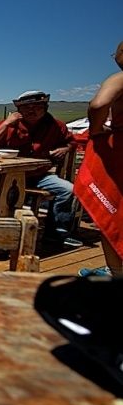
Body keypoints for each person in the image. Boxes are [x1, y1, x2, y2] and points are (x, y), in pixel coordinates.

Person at [0, 90, 80, 246]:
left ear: (45, 108)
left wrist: (65, 148)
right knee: (7, 197)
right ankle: (2, 236)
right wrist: (6, 123)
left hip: (39, 175)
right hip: (7, 176)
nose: (31, 111)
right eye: (26, 107)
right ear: (19, 110)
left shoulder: (55, 125)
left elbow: (71, 142)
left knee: (69, 190)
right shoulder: (10, 124)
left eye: (37, 107)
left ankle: (57, 232)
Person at [74, 41, 123, 277]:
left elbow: (99, 104)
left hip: (119, 151)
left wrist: (96, 130)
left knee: (112, 209)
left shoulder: (119, 79)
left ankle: (116, 271)